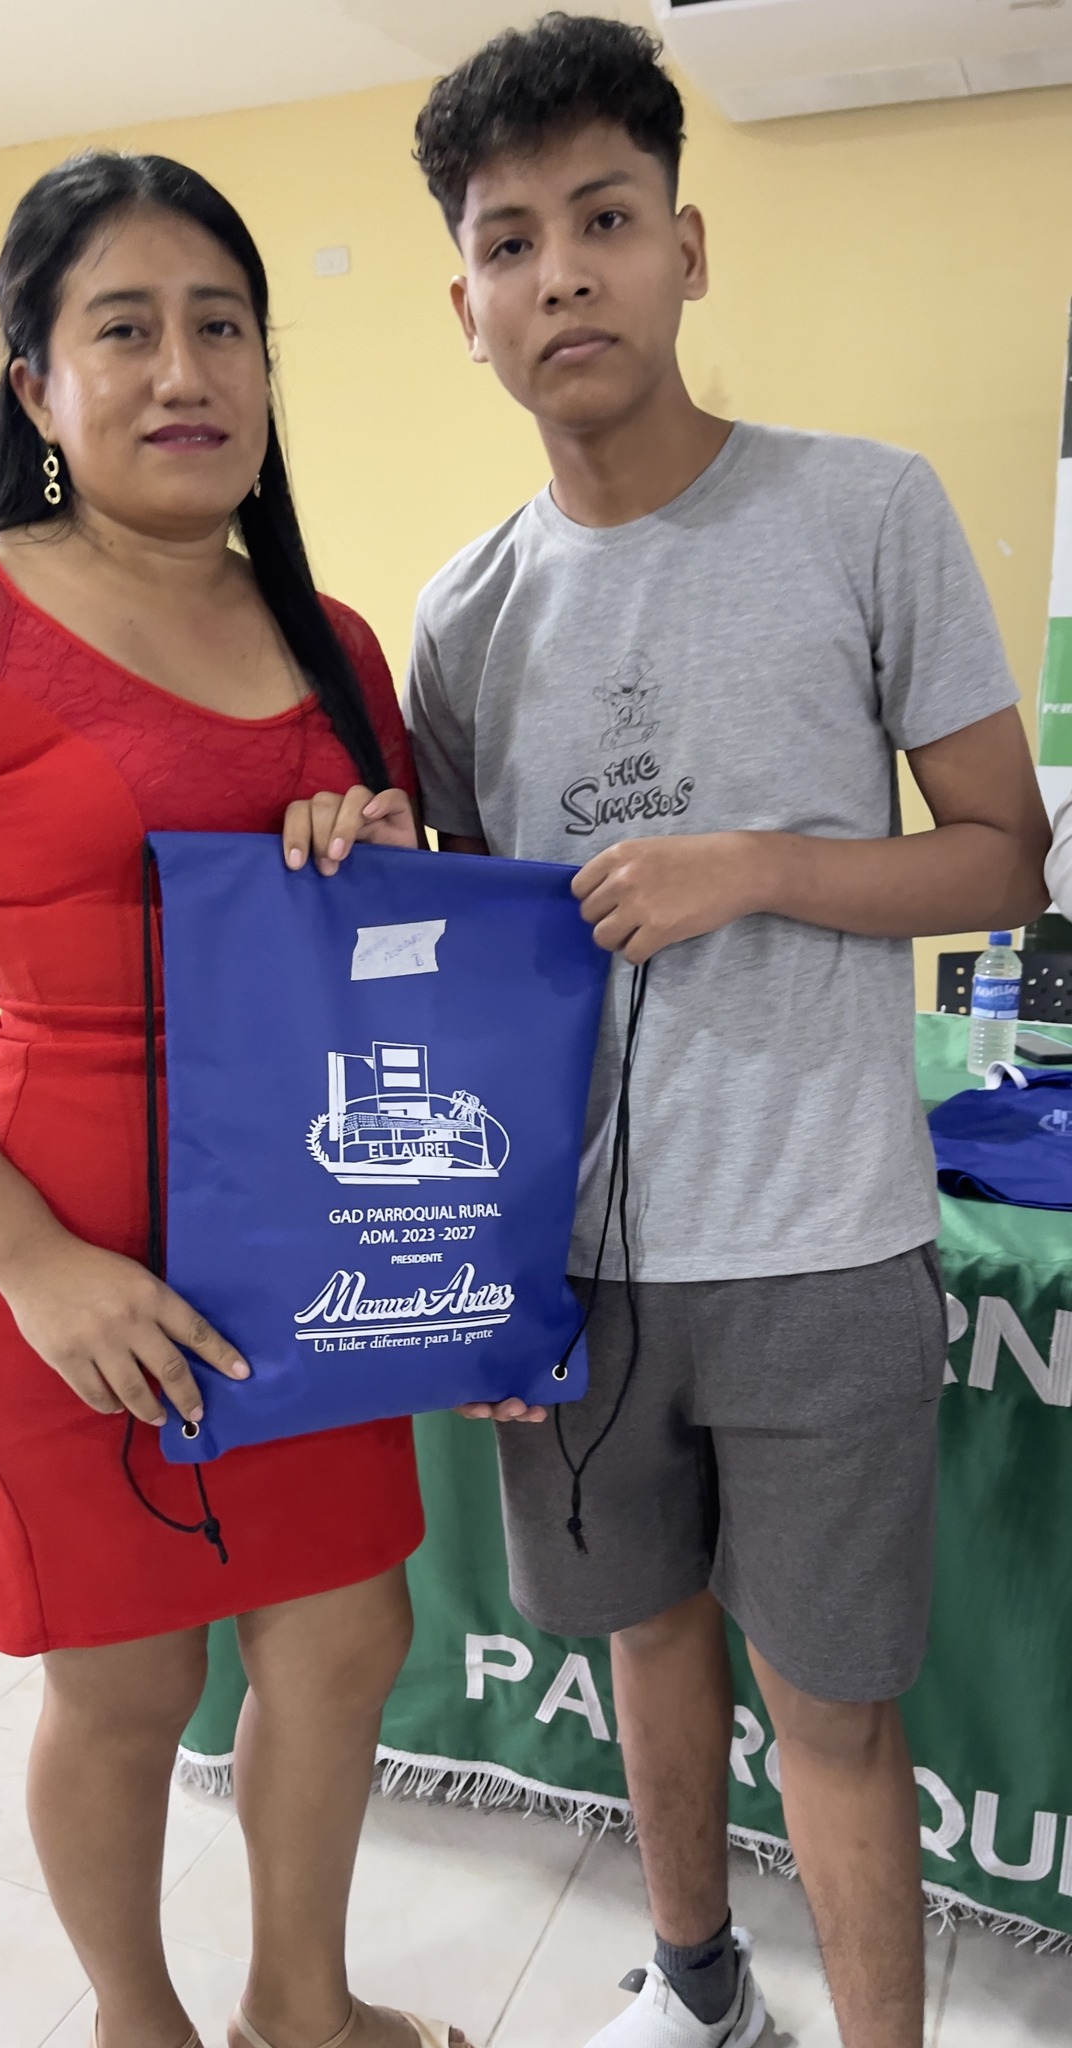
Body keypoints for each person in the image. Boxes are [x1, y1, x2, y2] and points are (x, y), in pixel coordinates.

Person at [406, 17, 1051, 2048]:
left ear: (687, 248)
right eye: (511, 242)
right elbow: (462, 972)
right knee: (643, 1640)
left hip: (821, 1239)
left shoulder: (862, 510)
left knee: (834, 1709)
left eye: (606, 219)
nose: (563, 274)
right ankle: (699, 1990)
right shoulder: (459, 617)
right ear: (464, 306)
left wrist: (758, 865)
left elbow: (1004, 858)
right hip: (576, 1272)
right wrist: (475, 1277)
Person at [0, 152, 470, 2048]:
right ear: (37, 386)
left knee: (345, 1636)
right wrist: (33, 1265)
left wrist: (374, 879)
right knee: (128, 1684)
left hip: (309, 1236)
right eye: (127, 329)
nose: (185, 370)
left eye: (222, 325)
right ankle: (134, 2024)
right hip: (58, 1253)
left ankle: (301, 2007)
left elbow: (411, 971)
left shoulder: (336, 643)